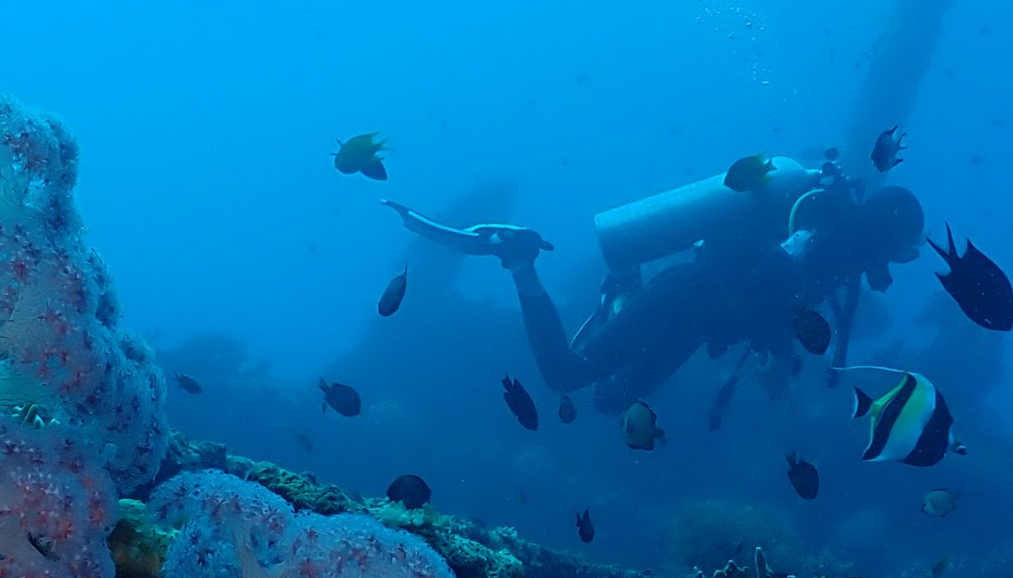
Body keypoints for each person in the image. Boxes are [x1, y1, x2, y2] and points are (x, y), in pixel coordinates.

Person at [392, 152, 924, 413]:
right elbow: (774, 274)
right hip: (689, 295)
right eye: (905, 249)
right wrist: (776, 351)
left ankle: (620, 292)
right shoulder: (829, 236)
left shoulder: (842, 243)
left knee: (608, 401)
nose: (901, 261)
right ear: (888, 232)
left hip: (700, 319)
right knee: (564, 376)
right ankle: (518, 259)